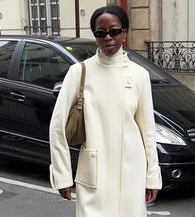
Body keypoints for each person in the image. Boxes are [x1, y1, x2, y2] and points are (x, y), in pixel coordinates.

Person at [49, 5, 162, 217]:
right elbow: (57, 127)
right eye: (101, 33)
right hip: (94, 172)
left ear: (125, 34)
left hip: (132, 171)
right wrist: (62, 174)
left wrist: (152, 177)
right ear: (95, 37)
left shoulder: (140, 75)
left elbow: (148, 132)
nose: (108, 37)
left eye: (114, 31)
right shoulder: (79, 72)